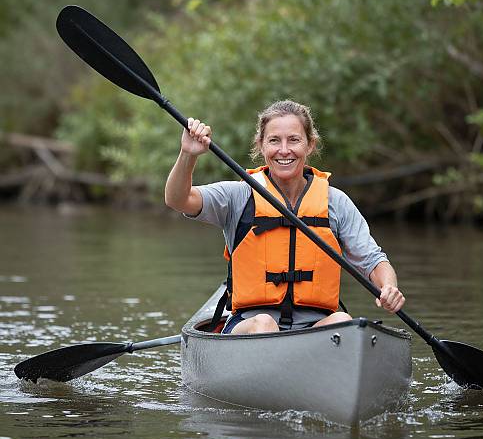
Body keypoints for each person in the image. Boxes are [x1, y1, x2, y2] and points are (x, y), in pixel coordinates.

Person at [165, 100, 405, 334]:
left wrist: (389, 287)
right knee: (265, 324)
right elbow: (178, 199)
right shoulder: (239, 195)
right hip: (250, 324)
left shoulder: (336, 202)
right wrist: (188, 155)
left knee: (343, 321)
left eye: (294, 140)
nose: (284, 150)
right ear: (260, 145)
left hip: (314, 328)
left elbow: (373, 261)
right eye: (274, 141)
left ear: (310, 145)